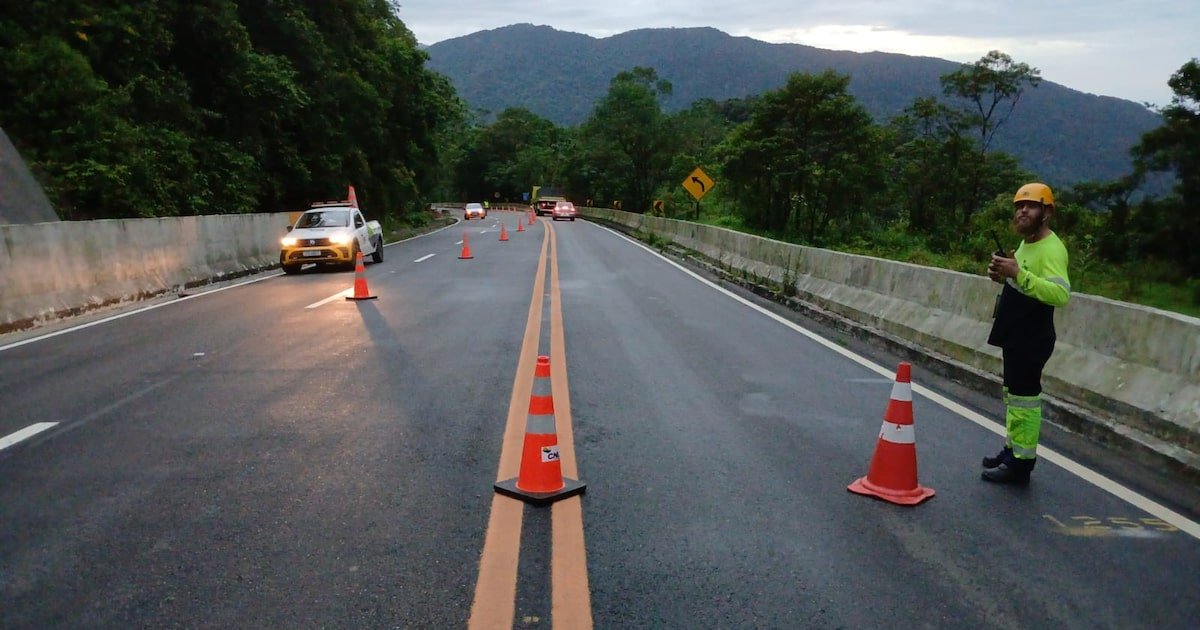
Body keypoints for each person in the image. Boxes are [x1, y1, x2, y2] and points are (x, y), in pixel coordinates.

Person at [981, 182, 1071, 484]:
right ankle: (1012, 449)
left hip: (1033, 335)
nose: (1022, 211)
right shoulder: (1027, 243)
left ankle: (1021, 463)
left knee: (1025, 399)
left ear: (1046, 212)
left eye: (1030, 206)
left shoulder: (1052, 248)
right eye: (1019, 206)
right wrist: (1003, 276)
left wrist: (1017, 273)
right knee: (1013, 397)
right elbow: (1024, 282)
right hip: (1015, 332)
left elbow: (1059, 294)